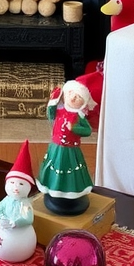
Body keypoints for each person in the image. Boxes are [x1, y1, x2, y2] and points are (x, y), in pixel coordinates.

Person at [36, 78, 96, 216]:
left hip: (71, 151)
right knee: (54, 168)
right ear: (65, 95)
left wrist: (74, 128)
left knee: (71, 171)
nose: (74, 98)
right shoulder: (59, 111)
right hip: (56, 148)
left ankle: (72, 193)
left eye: (78, 97)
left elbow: (87, 130)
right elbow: (50, 115)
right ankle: (55, 191)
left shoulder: (79, 117)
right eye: (71, 94)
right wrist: (52, 101)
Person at [0, 140, 37, 262]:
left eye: (21, 184)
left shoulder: (25, 203)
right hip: (4, 231)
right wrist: (1, 219)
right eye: (12, 183)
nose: (16, 188)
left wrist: (14, 223)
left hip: (20, 235)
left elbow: (28, 218)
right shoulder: (7, 200)